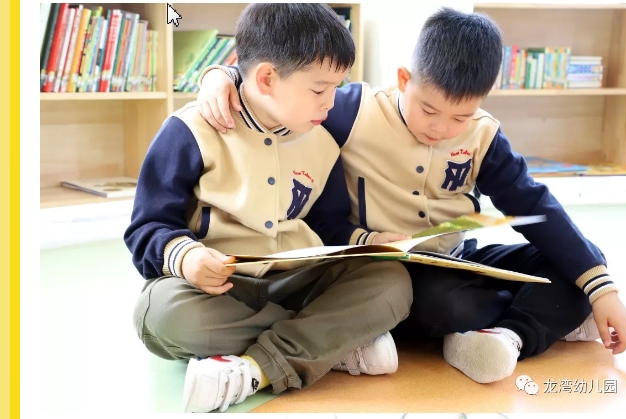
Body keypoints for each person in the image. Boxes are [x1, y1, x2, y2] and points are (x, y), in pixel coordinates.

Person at [194, 6, 626, 385]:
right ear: (404, 79)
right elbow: (288, 90)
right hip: (387, 272)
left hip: (458, 259)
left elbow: (533, 205)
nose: (441, 127)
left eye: (461, 116)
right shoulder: (353, 111)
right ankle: (535, 319)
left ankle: (506, 336)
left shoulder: (485, 135)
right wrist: (222, 75)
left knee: (583, 263)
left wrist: (602, 290)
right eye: (428, 109)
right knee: (447, 302)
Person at [124, 4, 413, 413]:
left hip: (301, 280)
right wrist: (186, 258)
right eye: (319, 90)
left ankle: (260, 364)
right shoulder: (190, 131)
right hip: (220, 289)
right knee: (159, 314)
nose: (330, 104)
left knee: (392, 281)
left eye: (337, 88)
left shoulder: (323, 142)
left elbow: (327, 224)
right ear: (265, 79)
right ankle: (328, 342)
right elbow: (148, 226)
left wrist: (370, 241)